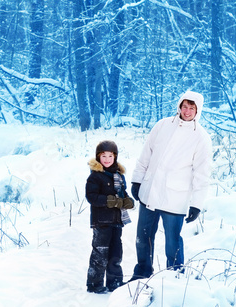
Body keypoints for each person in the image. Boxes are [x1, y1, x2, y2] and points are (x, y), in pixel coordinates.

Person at [129, 90, 212, 281]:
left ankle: (174, 277)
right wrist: (137, 179)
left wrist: (196, 204)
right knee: (143, 238)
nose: (187, 111)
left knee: (173, 241)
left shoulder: (201, 137)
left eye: (192, 108)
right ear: (179, 106)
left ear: (197, 110)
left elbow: (201, 174)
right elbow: (146, 155)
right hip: (150, 192)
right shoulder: (163, 125)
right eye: (184, 106)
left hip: (175, 198)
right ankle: (142, 273)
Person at [85, 140, 135, 293]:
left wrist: (127, 201)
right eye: (103, 156)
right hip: (101, 221)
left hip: (116, 221)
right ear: (98, 157)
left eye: (110, 156)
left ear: (115, 157)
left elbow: (122, 193)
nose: (107, 159)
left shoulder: (119, 175)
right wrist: (109, 201)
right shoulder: (95, 177)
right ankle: (95, 284)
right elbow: (91, 197)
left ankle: (115, 283)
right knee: (100, 252)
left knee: (115, 252)